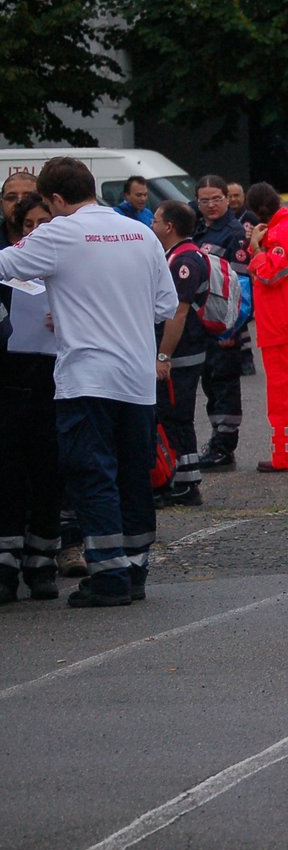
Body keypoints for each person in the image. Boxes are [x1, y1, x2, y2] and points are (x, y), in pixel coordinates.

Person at [0, 157, 177, 608]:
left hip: (86, 377)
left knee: (91, 473)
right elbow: (165, 305)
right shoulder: (141, 233)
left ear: (57, 199)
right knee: (134, 475)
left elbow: (6, 266)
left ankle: (109, 575)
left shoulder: (60, 232)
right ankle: (135, 569)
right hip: (136, 378)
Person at [0, 192, 63, 603]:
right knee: (7, 474)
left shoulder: (69, 270)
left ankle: (42, 560)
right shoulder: (6, 267)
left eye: (45, 224)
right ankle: (6, 561)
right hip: (8, 384)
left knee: (48, 473)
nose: (37, 232)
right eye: (29, 226)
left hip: (55, 384)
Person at [245, 182, 288, 472]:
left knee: (284, 394)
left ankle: (286, 456)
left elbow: (273, 272)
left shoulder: (279, 231)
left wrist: (256, 250)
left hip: (281, 325)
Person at [150, 201, 210, 507]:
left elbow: (178, 313)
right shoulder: (178, 255)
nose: (151, 224)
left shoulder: (184, 260)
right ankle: (181, 478)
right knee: (174, 415)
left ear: (169, 227)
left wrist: (163, 356)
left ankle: (184, 483)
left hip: (181, 352)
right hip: (182, 351)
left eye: (156, 220)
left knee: (175, 415)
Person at [193, 175, 252, 470]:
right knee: (210, 385)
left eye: (217, 198)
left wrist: (231, 328)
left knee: (224, 385)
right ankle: (217, 440)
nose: (211, 205)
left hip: (223, 326)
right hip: (201, 323)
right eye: (204, 200)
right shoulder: (200, 229)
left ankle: (224, 447)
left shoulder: (234, 234)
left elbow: (243, 287)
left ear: (228, 199)